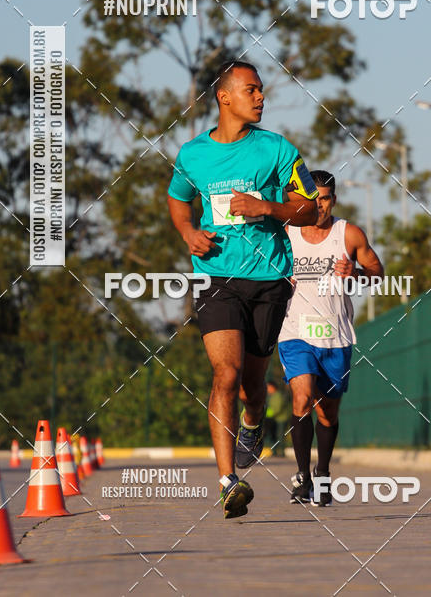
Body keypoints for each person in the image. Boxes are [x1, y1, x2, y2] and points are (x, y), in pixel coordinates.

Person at [167, 61, 318, 518]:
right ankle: (229, 481)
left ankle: (253, 421)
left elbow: (309, 209)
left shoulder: (278, 150)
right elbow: (177, 199)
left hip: (270, 279)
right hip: (215, 278)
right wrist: (188, 233)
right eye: (251, 90)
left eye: (261, 91)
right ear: (224, 97)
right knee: (225, 375)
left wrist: (266, 207)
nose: (260, 98)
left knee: (254, 385)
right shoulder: (192, 154)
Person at [278, 170, 384, 505]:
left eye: (324, 199)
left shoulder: (348, 234)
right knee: (302, 398)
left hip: (336, 335)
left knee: (328, 413)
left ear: (333, 200)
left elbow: (378, 273)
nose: (318, 206)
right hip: (294, 332)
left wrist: (356, 272)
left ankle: (322, 471)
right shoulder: (286, 234)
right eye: (312, 199)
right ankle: (303, 477)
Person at [265, 379, 290, 457]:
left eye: (268, 387)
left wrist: (266, 415)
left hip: (281, 419)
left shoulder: (277, 395)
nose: (267, 389)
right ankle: (275, 451)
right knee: (274, 435)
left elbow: (276, 409)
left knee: (280, 435)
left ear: (273, 387)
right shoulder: (272, 396)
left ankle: (281, 452)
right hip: (275, 418)